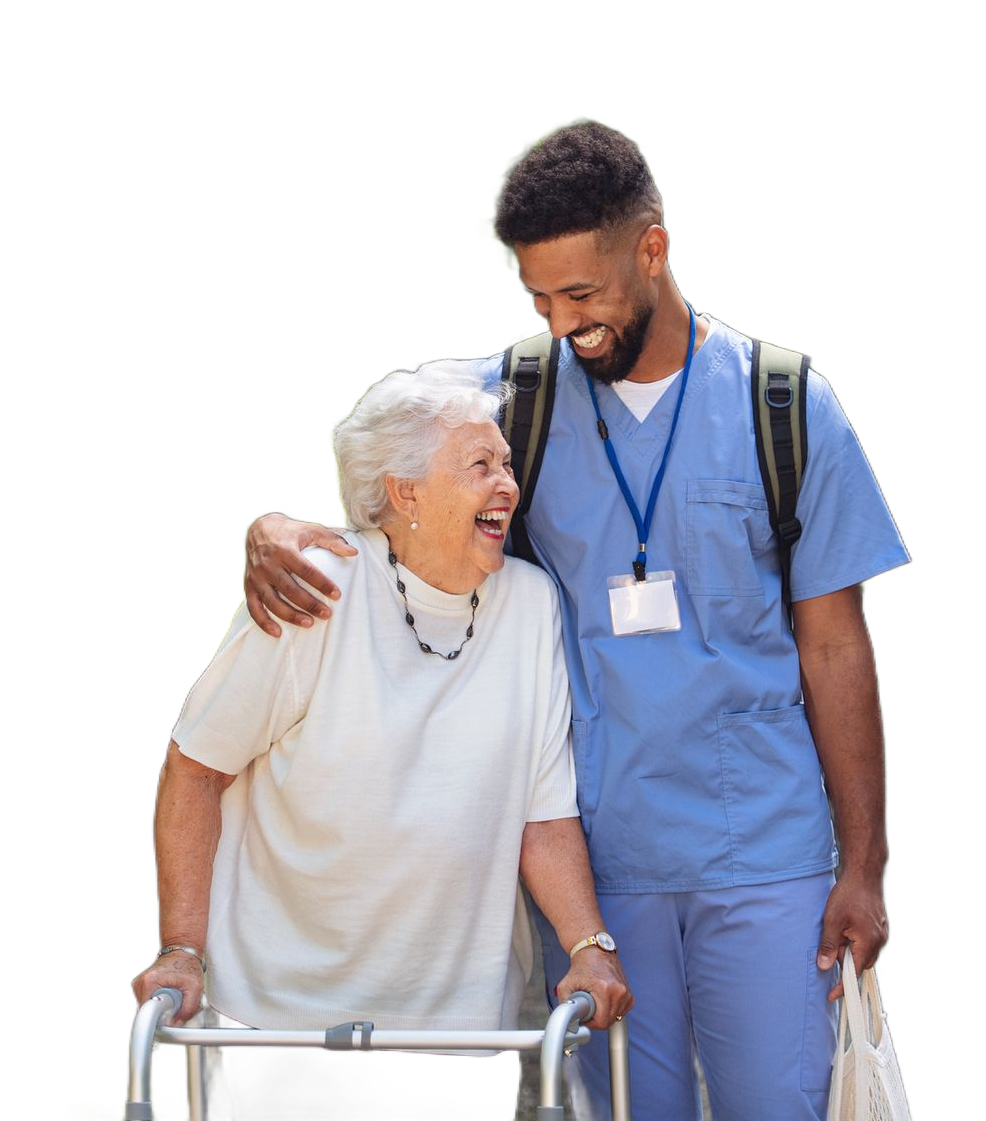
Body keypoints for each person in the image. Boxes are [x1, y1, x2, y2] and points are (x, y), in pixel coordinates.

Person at [240, 118, 911, 1121]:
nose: (564, 323)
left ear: (653, 247)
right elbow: (383, 456)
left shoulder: (787, 405)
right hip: (597, 872)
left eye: (584, 295)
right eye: (541, 298)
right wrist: (273, 524)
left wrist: (866, 865)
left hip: (765, 861)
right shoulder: (513, 397)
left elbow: (835, 645)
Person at [130, 360, 633, 1120]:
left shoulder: (530, 607)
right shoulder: (317, 587)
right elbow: (195, 767)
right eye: (479, 465)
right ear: (404, 493)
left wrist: (589, 944)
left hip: (465, 1027)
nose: (508, 485)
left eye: (506, 463)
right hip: (290, 1018)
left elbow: (543, 814)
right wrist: (181, 948)